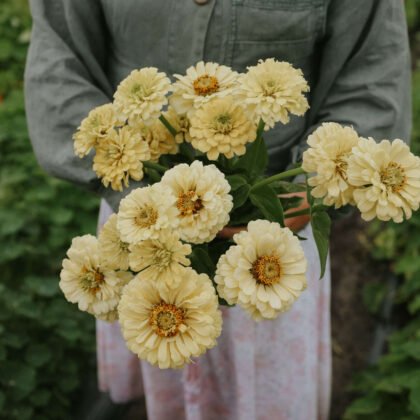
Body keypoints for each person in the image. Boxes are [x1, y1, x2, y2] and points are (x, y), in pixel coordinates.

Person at [25, 1, 411, 419]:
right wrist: (142, 196)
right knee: (161, 373)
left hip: (277, 240)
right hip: (141, 226)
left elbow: (373, 73)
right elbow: (57, 59)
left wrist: (305, 194)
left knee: (266, 397)